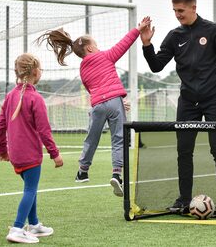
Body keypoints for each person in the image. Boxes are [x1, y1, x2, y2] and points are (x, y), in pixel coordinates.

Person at [140, 0, 216, 212]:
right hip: (187, 101)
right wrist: (147, 45)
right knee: (184, 151)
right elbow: (156, 66)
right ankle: (184, 199)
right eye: (174, 11)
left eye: (181, 10)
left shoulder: (215, 31)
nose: (177, 15)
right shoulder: (175, 36)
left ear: (193, 7)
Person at [37, 17, 151, 197]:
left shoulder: (82, 69)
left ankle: (82, 171)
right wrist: (138, 29)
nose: (98, 48)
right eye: (96, 45)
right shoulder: (105, 56)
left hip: (97, 105)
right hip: (114, 102)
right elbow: (124, 44)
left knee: (92, 138)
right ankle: (117, 174)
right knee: (119, 138)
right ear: (90, 48)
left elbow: (94, 90)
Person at [0, 53, 64, 244]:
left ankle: (34, 224)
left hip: (16, 155)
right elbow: (44, 130)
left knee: (30, 188)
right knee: (30, 190)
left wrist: (3, 150)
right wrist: (55, 154)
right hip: (30, 155)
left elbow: (0, 125)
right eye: (40, 68)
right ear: (35, 72)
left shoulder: (10, 96)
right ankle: (17, 228)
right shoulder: (35, 98)